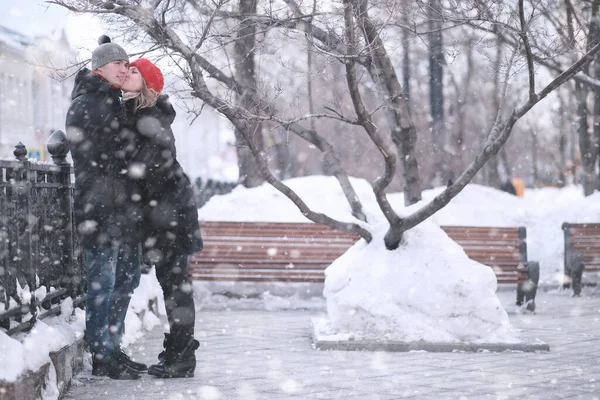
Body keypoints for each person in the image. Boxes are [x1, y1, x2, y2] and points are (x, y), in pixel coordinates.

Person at [65, 36, 146, 380]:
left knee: (126, 279)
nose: (124, 69)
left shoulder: (112, 100)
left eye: (127, 64)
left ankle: (112, 346)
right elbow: (110, 153)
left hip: (120, 208)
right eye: (118, 64)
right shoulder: (89, 102)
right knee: (104, 283)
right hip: (100, 208)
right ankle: (102, 353)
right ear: (99, 68)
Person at [120, 58, 203, 378]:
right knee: (172, 284)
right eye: (127, 68)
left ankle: (182, 356)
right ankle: (179, 352)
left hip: (170, 216)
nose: (128, 72)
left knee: (176, 286)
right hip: (162, 215)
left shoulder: (152, 117)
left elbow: (150, 169)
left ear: (148, 83)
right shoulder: (138, 113)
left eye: (135, 70)